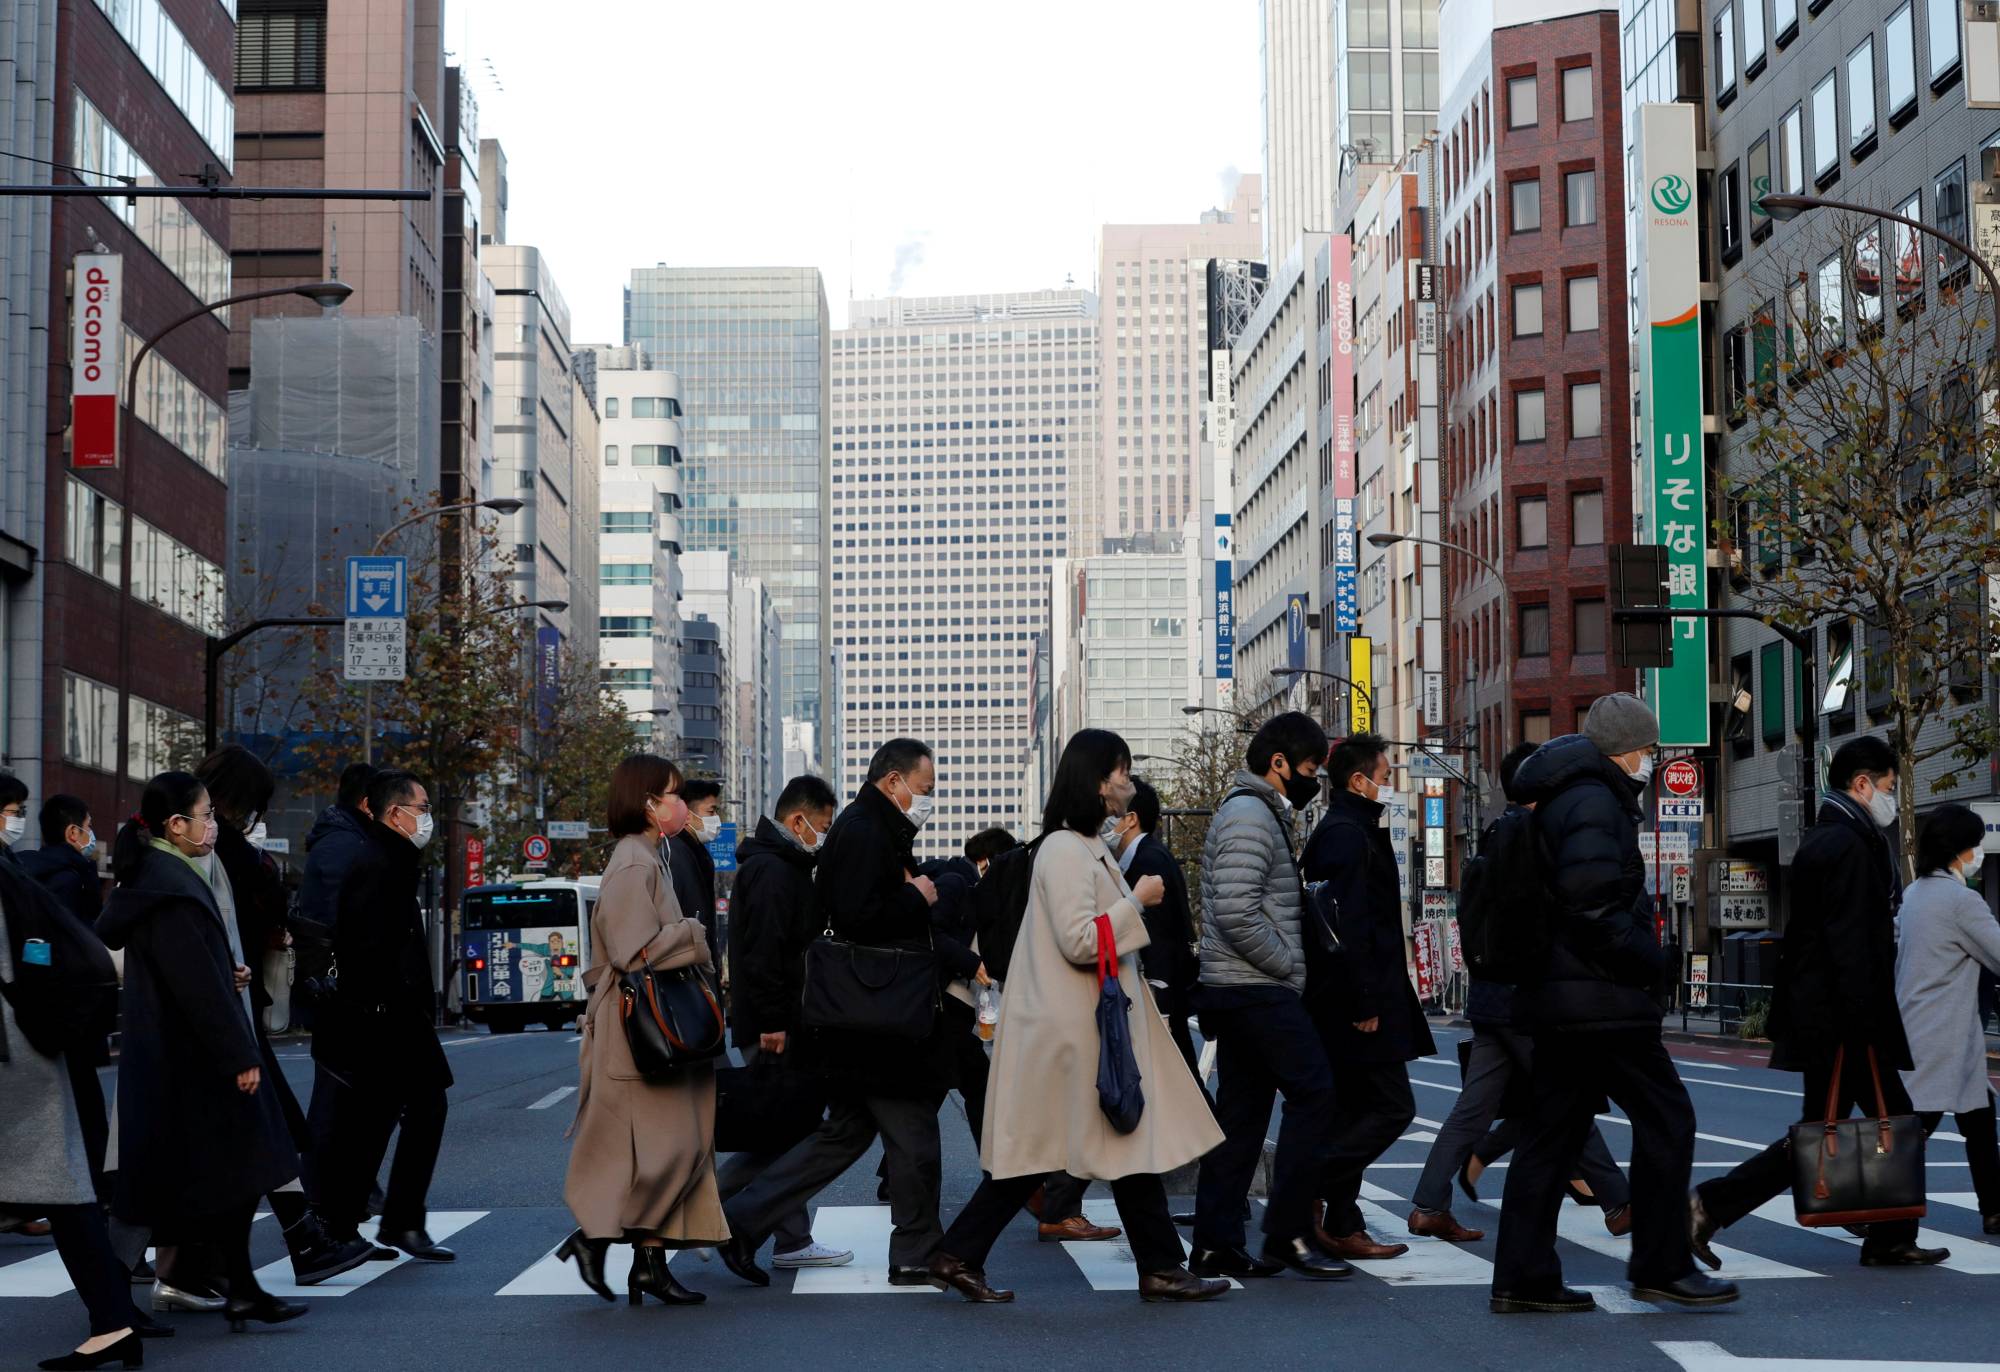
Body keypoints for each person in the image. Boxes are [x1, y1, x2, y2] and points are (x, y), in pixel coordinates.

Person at [924, 729, 1227, 1304]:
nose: (1126, 782)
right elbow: (1078, 940)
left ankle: (1157, 1264)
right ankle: (959, 1253)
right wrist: (1137, 900)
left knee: (1108, 1144)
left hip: (1082, 1030)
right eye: (1120, 771)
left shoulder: (1082, 846)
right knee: (1075, 1148)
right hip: (1073, 1035)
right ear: (1096, 780)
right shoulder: (1066, 850)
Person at [1490, 695, 1737, 1313]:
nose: (1651, 761)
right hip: (1601, 998)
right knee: (1667, 1119)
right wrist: (1650, 961)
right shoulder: (1596, 802)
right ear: (1626, 749)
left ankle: (1522, 1277)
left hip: (1563, 996)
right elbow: (1593, 906)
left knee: (1549, 1136)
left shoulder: (1566, 794)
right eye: (1649, 751)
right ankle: (1660, 1263)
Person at [1690, 734, 1947, 1269]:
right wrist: (1866, 1021)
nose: (1889, 798)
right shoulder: (1848, 845)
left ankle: (1888, 1234)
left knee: (1834, 1127)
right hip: (1846, 1017)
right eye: (1887, 787)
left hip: (1827, 1013)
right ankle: (1710, 1206)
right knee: (1884, 1122)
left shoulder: (1830, 837)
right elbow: (1850, 943)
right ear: (1861, 784)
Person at [717, 739, 954, 1288]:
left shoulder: (866, 828)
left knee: (842, 1136)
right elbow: (856, 917)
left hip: (860, 1018)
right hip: (876, 1020)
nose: (927, 800)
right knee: (913, 1137)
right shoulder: (866, 832)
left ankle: (742, 1221)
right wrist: (917, 895)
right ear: (893, 782)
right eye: (924, 789)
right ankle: (916, 1249)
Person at [97, 772, 308, 1335]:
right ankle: (112, 1306)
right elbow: (191, 981)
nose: (214, 824)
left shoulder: (166, 875)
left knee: (239, 1166)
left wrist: (229, 972)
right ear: (176, 825)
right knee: (151, 1188)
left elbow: (189, 968)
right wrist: (240, 1055)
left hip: (177, 1053)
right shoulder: (171, 883)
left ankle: (240, 1286)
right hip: (187, 1058)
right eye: (206, 814)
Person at [1409, 742, 1630, 1243]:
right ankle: (1619, 1202)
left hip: (1489, 994)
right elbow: (1542, 918)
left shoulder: (1492, 837)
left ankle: (1428, 1203)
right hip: (1523, 995)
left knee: (1473, 1110)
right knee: (1567, 1096)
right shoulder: (1532, 835)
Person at [199, 746, 373, 1286]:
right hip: (224, 1011)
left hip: (225, 1008)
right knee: (259, 1129)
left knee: (244, 1134)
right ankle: (299, 1242)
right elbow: (269, 904)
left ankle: (259, 1259)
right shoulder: (221, 851)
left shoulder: (205, 849)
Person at [558, 753, 728, 1305]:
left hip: (648, 1027)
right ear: (649, 803)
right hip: (638, 1031)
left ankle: (647, 1264)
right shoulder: (634, 862)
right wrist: (694, 934)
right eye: (673, 794)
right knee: (667, 1150)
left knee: (675, 1149)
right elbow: (637, 954)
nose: (682, 805)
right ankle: (595, 1237)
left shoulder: (649, 855)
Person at [1189, 711, 1348, 1281]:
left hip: (1239, 988)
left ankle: (1215, 1243)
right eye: (1308, 769)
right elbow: (1234, 911)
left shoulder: (1253, 812)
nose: (1312, 781)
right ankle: (1287, 1231)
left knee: (1244, 1115)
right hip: (1255, 987)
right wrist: (1288, 965)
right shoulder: (1250, 816)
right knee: (1315, 1093)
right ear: (1277, 763)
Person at [313, 769, 456, 1263]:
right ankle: (368, 1223)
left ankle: (375, 1222)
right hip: (384, 1015)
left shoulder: (392, 857)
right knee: (383, 1118)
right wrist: (392, 1003)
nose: (427, 819)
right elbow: (370, 947)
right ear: (394, 813)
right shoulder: (379, 862)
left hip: (389, 1012)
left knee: (384, 1117)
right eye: (421, 809)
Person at [1299, 732, 1427, 1261]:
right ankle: (1309, 1187)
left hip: (1354, 996)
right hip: (1354, 1000)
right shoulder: (1347, 835)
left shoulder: (1350, 830)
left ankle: (1346, 1221)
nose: (1389, 784)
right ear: (1359, 780)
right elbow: (1347, 925)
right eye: (1385, 774)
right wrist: (1365, 1002)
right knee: (1393, 1107)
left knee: (1355, 1107)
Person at [716, 773, 852, 1270]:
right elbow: (764, 954)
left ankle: (790, 1238)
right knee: (784, 1135)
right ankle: (698, 1211)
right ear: (798, 821)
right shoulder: (774, 871)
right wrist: (774, 1021)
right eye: (822, 824)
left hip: (778, 1021)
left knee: (781, 1134)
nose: (825, 833)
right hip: (776, 1026)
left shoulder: (778, 865)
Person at [1895, 804, 2000, 1229]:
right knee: (1915, 1130)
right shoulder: (1962, 901)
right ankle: (1881, 1210)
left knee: (1978, 1116)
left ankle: (1994, 1207)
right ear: (1959, 850)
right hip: (1944, 1035)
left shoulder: (1914, 893)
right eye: (1974, 846)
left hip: (1923, 1028)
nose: (1978, 854)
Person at [19, 795, 111, 1197]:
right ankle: (99, 1184)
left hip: (47, 1001)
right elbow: (63, 938)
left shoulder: (33, 870)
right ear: (73, 832)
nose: (93, 835)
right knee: (83, 1099)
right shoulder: (69, 876)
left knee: (62, 1097)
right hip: (71, 1003)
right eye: (89, 826)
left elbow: (36, 943)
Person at [1104, 778, 1199, 1076]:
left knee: (1180, 1084)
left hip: (1162, 996)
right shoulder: (1149, 856)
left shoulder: (1148, 860)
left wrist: (1161, 999)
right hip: (1166, 994)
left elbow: (1158, 935)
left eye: (1111, 811)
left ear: (1130, 819)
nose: (1104, 819)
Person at [671, 778, 723, 936]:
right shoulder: (674, 854)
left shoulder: (696, 854)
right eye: (711, 811)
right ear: (687, 814)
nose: (716, 818)